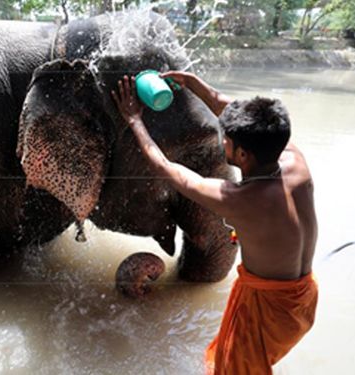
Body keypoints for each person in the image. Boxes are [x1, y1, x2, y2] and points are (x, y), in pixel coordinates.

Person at [112, 72, 319, 374]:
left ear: (243, 154)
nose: (222, 140)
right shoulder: (292, 158)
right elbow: (227, 106)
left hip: (266, 309)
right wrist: (191, 81)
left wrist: (133, 120)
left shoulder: (241, 199)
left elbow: (167, 168)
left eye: (227, 140)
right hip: (304, 298)